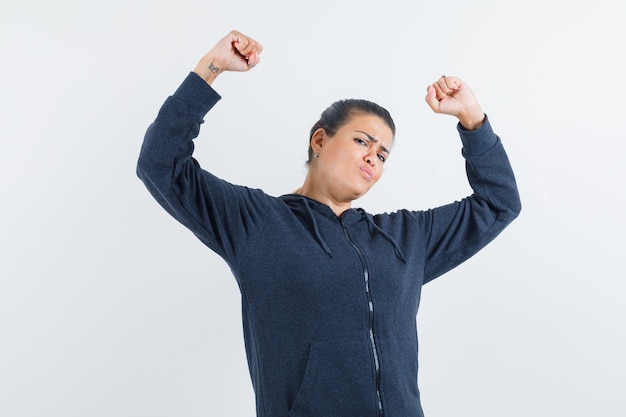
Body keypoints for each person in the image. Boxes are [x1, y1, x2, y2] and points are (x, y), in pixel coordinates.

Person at [137, 30, 521, 417]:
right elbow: (161, 164)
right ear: (319, 141)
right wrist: (212, 67)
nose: (374, 157)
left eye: (383, 154)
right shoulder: (257, 223)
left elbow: (499, 203)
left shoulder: (404, 239)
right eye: (362, 142)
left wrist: (473, 119)